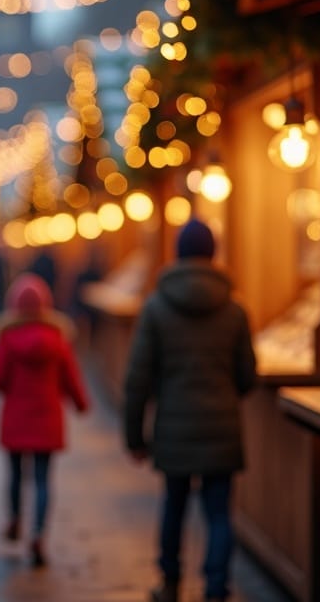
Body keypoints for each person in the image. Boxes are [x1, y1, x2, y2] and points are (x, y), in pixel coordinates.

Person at [123, 218, 256, 602]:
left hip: (173, 429)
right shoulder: (234, 310)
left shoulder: (156, 307)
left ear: (177, 253)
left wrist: (135, 436)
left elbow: (138, 378)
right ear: (213, 254)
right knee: (218, 512)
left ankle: (169, 582)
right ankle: (216, 587)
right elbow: (247, 376)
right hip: (222, 428)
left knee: (174, 505)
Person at [0, 272, 90, 568]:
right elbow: (71, 377)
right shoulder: (58, 338)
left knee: (16, 475)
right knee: (43, 480)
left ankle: (15, 518)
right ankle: (39, 534)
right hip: (47, 421)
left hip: (16, 420)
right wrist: (81, 404)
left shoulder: (6, 337)